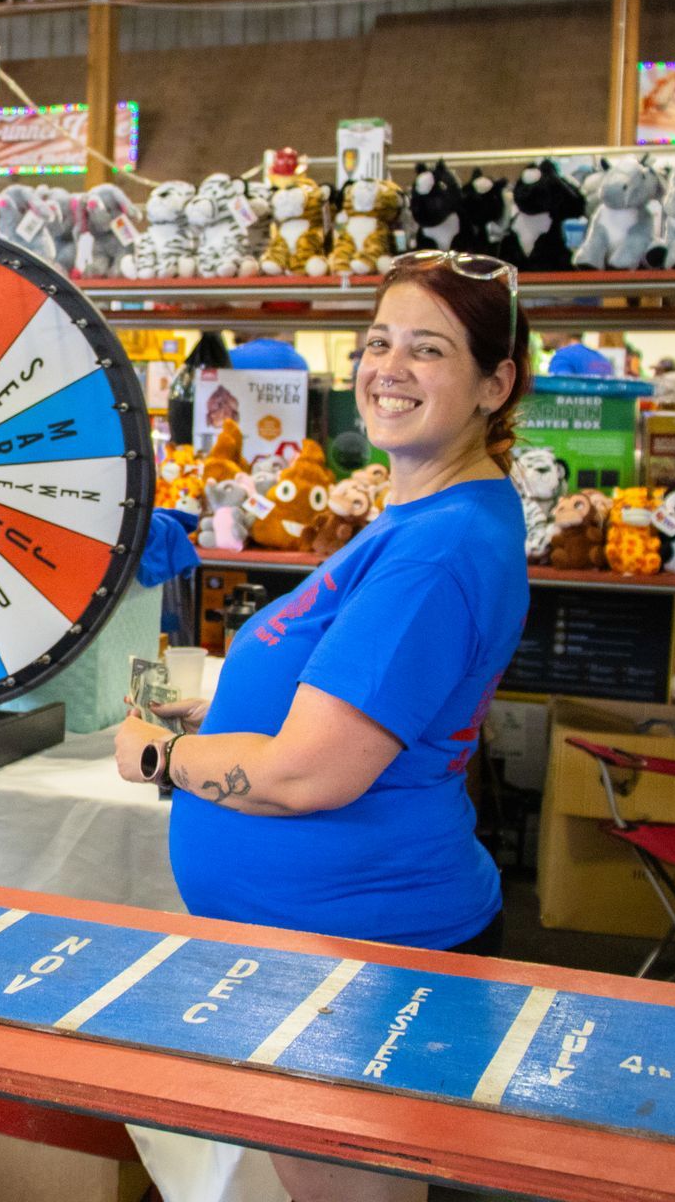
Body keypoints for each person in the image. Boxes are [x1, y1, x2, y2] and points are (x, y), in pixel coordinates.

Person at [114, 251, 531, 1202]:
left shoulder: (441, 547)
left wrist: (164, 756)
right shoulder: (424, 511)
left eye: (428, 350)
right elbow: (366, 699)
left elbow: (310, 776)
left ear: (493, 383)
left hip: (359, 950)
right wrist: (229, 709)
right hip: (324, 945)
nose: (390, 368)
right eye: (378, 341)